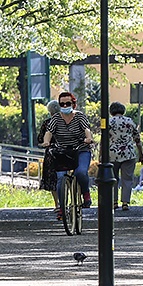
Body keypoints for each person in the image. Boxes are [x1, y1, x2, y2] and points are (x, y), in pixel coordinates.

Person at [41, 91, 94, 220]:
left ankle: (85, 193)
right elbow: (49, 131)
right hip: (63, 151)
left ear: (73, 104)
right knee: (60, 178)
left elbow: (87, 130)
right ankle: (62, 208)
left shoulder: (80, 117)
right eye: (62, 104)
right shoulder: (56, 118)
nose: (65, 106)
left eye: (68, 103)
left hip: (80, 150)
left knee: (81, 172)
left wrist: (88, 138)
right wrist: (46, 141)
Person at [107, 102, 143, 211]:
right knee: (127, 179)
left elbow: (104, 140)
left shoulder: (109, 122)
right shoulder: (129, 121)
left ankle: (114, 202)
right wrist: (141, 154)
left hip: (112, 154)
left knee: (112, 178)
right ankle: (125, 202)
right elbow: (137, 139)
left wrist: (101, 155)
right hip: (128, 153)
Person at [37, 100, 61, 213]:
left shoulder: (47, 123)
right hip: (66, 152)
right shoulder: (66, 121)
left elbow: (40, 139)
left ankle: (57, 204)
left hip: (51, 153)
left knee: (52, 180)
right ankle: (67, 201)